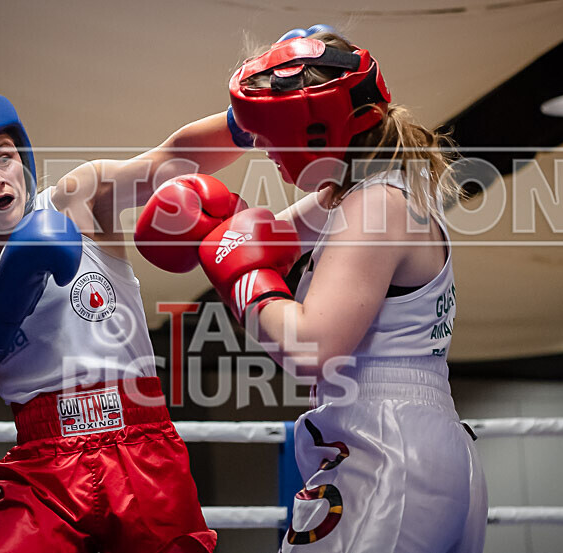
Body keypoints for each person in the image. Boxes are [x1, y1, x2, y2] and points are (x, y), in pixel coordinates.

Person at [135, 26, 488, 553]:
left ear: (317, 130)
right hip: (419, 443)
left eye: (270, 130)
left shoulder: (373, 205)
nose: (260, 145)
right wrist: (218, 229)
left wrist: (238, 272)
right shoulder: (365, 193)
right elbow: (267, 239)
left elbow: (312, 347)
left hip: (388, 449)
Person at [0, 93, 243, 553]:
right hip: (43, 465)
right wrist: (0, 312)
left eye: (3, 157)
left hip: (141, 442)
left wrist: (251, 118)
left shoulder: (77, 200)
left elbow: (170, 159)